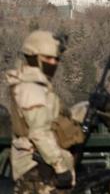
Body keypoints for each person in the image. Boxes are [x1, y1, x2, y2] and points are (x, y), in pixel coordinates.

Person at [6, 30, 80, 194]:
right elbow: (39, 133)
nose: (53, 63)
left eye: (56, 59)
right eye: (47, 58)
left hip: (42, 166)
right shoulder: (31, 89)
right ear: (33, 57)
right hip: (38, 169)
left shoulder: (36, 86)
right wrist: (60, 166)